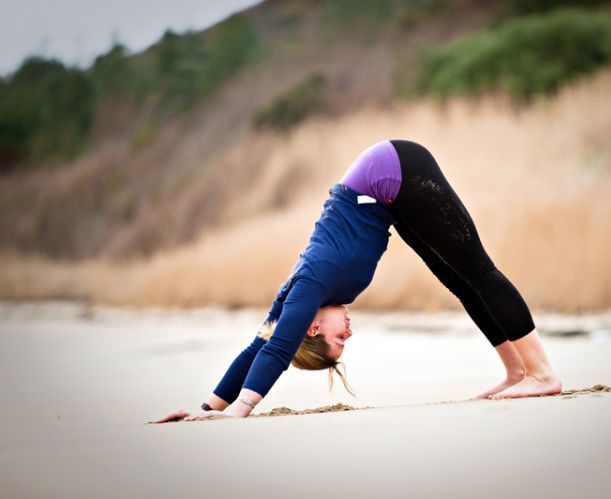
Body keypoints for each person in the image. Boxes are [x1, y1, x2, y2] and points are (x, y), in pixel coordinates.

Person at [151, 140, 561, 424]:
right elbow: (255, 347)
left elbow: (277, 349)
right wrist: (208, 407)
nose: (350, 331)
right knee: (461, 281)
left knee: (478, 270)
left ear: (311, 328)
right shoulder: (297, 295)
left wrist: (240, 409)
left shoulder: (310, 287)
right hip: (388, 198)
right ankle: (516, 372)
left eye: (339, 339)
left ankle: (542, 373)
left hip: (396, 169)